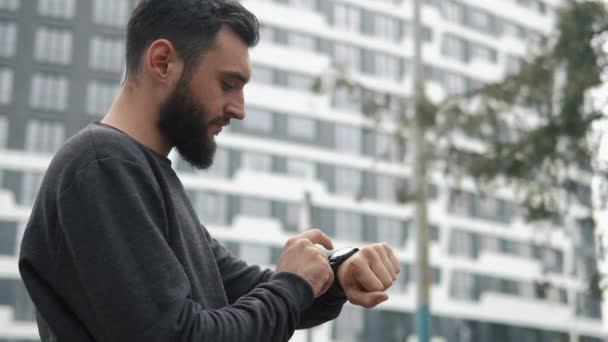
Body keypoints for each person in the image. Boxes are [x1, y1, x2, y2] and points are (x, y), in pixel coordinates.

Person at [18, 0, 401, 341]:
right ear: (163, 62)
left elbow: (243, 290)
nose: (239, 109)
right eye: (228, 84)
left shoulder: (144, 174)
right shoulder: (102, 165)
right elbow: (179, 334)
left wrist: (334, 274)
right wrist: (293, 284)